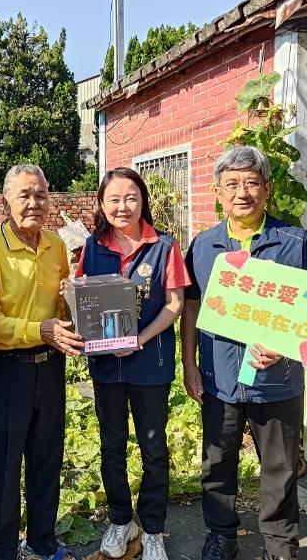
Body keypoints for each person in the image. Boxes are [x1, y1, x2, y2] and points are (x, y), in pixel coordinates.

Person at [181, 146, 307, 560]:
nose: (242, 193)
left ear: (266, 188)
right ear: (218, 192)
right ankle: (221, 536)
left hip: (276, 381)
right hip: (220, 377)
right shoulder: (205, 245)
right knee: (217, 463)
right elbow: (190, 306)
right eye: (232, 184)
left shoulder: (296, 243)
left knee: (280, 470)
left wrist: (287, 347)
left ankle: (280, 546)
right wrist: (189, 362)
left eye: (251, 183)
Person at [0, 164, 85, 560]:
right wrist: (43, 330)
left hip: (51, 366)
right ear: (6, 201)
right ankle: (1, 549)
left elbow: (65, 303)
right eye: (24, 195)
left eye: (41, 194)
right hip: (8, 369)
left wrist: (76, 310)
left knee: (48, 457)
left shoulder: (56, 245)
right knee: (5, 464)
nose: (34, 203)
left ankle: (41, 540)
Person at [74, 167, 190, 560]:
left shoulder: (164, 246)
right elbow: (81, 299)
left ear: (142, 201)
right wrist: (71, 295)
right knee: (112, 445)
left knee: (153, 447)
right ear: (102, 205)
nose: (122, 206)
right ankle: (122, 519)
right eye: (114, 199)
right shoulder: (93, 247)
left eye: (131, 198)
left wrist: (138, 339)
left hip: (149, 363)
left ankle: (153, 527)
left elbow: (174, 304)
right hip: (107, 365)